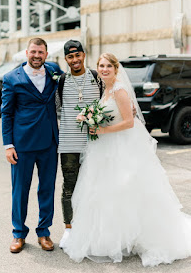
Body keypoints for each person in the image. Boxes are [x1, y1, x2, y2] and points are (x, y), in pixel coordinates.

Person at [62, 53, 191, 267]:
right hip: (104, 147)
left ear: (115, 68)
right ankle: (109, 238)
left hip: (121, 146)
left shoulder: (120, 91)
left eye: (107, 66)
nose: (103, 70)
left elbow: (130, 122)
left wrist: (102, 129)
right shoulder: (106, 90)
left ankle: (134, 238)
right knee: (103, 192)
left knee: (125, 191)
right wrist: (90, 119)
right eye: (101, 66)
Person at [1, 37, 62, 253]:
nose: (37, 56)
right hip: (22, 144)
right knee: (20, 190)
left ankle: (44, 232)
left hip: (49, 143)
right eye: (33, 52)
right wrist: (8, 145)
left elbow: (74, 88)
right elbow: (6, 113)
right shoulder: (11, 78)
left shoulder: (54, 70)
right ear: (27, 53)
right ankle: (18, 234)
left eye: (41, 52)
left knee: (46, 189)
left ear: (46, 54)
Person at [57, 40, 103, 247]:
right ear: (65, 59)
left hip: (94, 144)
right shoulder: (62, 81)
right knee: (70, 187)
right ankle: (69, 229)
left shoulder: (96, 78)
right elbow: (57, 108)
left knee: (94, 187)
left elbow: (106, 104)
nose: (74, 60)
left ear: (84, 55)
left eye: (78, 55)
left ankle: (92, 228)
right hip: (68, 144)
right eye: (70, 57)